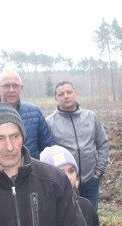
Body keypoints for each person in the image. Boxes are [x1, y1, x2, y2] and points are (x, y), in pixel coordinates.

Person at [0, 67, 54, 168]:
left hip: (32, 177)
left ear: (21, 87)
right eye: (6, 86)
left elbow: (48, 149)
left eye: (15, 85)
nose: (11, 90)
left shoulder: (35, 113)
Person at [45, 81, 109, 211]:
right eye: (61, 94)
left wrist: (99, 171)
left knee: (90, 214)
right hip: (64, 181)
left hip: (91, 179)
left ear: (76, 94)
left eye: (69, 92)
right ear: (56, 98)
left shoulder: (91, 117)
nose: (66, 96)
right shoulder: (49, 122)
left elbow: (102, 143)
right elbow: (47, 153)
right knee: (68, 216)